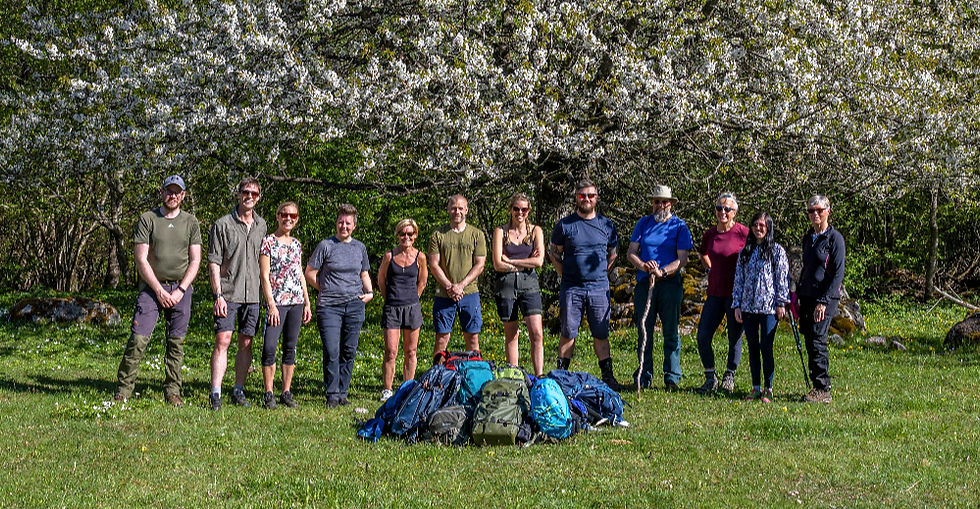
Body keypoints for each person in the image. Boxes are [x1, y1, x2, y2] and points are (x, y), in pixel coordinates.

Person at [114, 175, 201, 407]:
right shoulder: (147, 219)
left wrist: (181, 289)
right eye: (169, 191)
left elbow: (195, 260)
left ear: (183, 195)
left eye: (177, 192)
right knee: (138, 339)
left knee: (176, 343)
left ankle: (173, 391)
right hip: (152, 288)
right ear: (162, 193)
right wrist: (158, 290)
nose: (172, 196)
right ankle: (123, 390)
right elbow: (141, 259)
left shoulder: (191, 222)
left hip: (181, 289)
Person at [549, 179, 625, 389]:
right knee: (568, 333)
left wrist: (600, 273)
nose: (587, 199)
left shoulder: (607, 225)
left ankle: (608, 376)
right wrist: (565, 274)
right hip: (572, 288)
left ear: (596, 198)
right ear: (577, 198)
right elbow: (554, 253)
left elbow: (613, 255)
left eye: (591, 196)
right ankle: (561, 375)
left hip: (599, 287)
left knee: (601, 333)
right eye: (582, 195)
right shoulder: (565, 225)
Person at [626, 184, 693, 391]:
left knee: (671, 330)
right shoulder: (643, 224)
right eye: (656, 201)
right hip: (645, 283)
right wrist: (644, 266)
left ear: (670, 204)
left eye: (664, 202)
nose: (660, 205)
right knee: (644, 330)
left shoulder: (679, 227)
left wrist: (663, 271)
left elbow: (682, 259)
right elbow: (631, 252)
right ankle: (644, 375)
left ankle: (672, 377)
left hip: (669, 283)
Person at [208, 177, 267, 410]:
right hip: (228, 293)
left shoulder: (262, 226)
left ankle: (238, 389)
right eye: (245, 192)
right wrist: (218, 295)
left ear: (259, 197)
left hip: (253, 295)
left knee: (246, 342)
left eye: (254, 193)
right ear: (238, 194)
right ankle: (215, 392)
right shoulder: (222, 224)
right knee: (223, 340)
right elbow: (213, 262)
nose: (249, 196)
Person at [306, 203, 373, 408]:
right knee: (332, 350)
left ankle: (343, 392)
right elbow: (309, 272)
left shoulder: (359, 247)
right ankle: (332, 393)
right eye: (341, 222)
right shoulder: (325, 246)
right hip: (329, 307)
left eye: (348, 223)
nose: (343, 226)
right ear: (336, 223)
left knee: (349, 350)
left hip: (355, 305)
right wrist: (324, 289)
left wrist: (369, 293)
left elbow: (364, 274)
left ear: (354, 226)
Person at [258, 202, 312, 409]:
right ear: (278, 216)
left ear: (296, 219)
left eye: (292, 215)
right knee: (270, 346)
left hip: (296, 302)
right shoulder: (268, 242)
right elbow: (264, 275)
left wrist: (307, 303)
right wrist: (271, 304)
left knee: (290, 347)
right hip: (277, 302)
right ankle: (269, 392)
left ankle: (286, 392)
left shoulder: (297, 244)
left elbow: (300, 274)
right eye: (284, 214)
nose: (288, 218)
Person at [732, 212, 790, 403]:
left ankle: (768, 388)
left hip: (769, 307)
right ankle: (755, 387)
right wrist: (737, 304)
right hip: (748, 307)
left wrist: (782, 303)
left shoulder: (777, 251)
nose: (758, 228)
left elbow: (782, 279)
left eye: (762, 225)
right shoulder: (745, 251)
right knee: (752, 347)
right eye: (755, 224)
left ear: (769, 227)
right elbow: (739, 279)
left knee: (766, 347)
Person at [694, 192, 749, 395]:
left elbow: (753, 256)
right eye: (719, 208)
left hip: (736, 295)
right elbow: (703, 253)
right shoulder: (710, 234)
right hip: (715, 292)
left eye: (727, 209)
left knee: (735, 337)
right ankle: (710, 377)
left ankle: (729, 376)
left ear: (735, 212)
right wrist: (711, 269)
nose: (722, 212)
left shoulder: (743, 233)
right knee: (703, 336)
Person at [491, 193, 546, 376]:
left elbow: (539, 262)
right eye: (516, 209)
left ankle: (539, 375)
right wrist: (525, 261)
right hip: (506, 286)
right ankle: (514, 374)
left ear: (529, 211)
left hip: (529, 284)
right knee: (511, 334)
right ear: (511, 210)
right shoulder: (501, 231)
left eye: (524, 209)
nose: (520, 213)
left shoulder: (535, 231)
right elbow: (497, 264)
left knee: (536, 332)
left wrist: (512, 262)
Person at [798, 195, 845, 403]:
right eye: (811, 211)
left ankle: (822, 387)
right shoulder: (809, 238)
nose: (815, 214)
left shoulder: (835, 239)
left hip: (825, 296)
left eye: (819, 210)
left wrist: (824, 301)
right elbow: (807, 268)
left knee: (818, 338)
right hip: (807, 295)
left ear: (828, 211)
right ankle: (815, 384)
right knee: (809, 338)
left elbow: (837, 273)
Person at [428, 195, 487, 355]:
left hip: (469, 293)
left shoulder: (477, 234)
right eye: (453, 208)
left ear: (466, 210)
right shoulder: (438, 235)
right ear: (448, 209)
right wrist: (449, 286)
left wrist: (460, 286)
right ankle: (438, 375)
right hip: (444, 294)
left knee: (473, 338)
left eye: (461, 208)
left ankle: (474, 374)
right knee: (442, 338)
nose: (457, 211)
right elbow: (433, 264)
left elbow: (480, 264)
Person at [377, 218, 428, 402]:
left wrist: (414, 297)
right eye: (402, 234)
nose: (406, 237)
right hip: (392, 307)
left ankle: (407, 388)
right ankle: (388, 389)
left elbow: (422, 282)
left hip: (412, 308)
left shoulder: (420, 256)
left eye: (410, 234)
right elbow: (381, 280)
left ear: (415, 235)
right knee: (391, 351)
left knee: (411, 351)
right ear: (398, 235)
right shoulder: (389, 256)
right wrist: (389, 297)